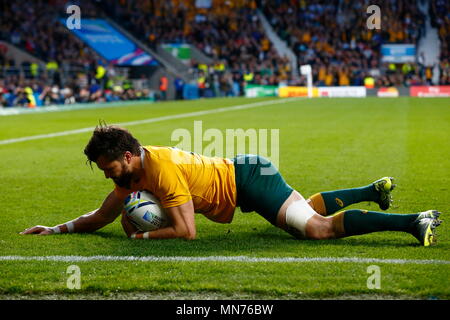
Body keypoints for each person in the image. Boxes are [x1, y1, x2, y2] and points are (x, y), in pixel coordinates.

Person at [21, 125, 442, 246]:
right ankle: (372, 190)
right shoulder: (135, 173)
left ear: (126, 157)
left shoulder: (160, 171)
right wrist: (56, 228)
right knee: (306, 212)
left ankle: (412, 223)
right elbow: (101, 215)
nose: (106, 173)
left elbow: (187, 232)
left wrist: (143, 237)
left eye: (107, 166)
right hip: (245, 176)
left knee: (316, 229)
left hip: (247, 181)